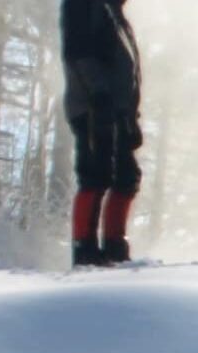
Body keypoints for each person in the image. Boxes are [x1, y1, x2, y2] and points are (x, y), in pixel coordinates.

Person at [61, 0, 142, 266]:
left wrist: (131, 116)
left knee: (127, 176)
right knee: (95, 174)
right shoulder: (83, 4)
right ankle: (84, 249)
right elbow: (77, 50)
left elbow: (126, 68)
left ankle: (114, 247)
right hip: (92, 107)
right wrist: (98, 93)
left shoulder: (113, 11)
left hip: (117, 109)